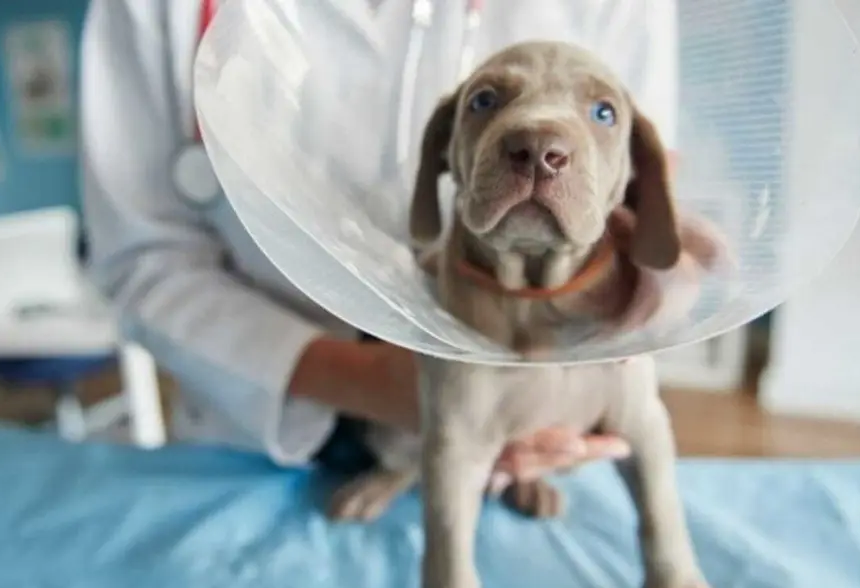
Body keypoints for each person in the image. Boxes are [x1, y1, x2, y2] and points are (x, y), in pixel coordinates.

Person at [79, 0, 679, 484]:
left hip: (517, 433)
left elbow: (639, 197)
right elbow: (142, 259)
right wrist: (372, 383)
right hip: (260, 436)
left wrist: (649, 294)